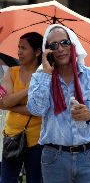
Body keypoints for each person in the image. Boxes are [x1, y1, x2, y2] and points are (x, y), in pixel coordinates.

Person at [27, 24, 90, 183]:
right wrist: (47, 75)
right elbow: (36, 109)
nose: (60, 48)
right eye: (53, 45)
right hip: (54, 159)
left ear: (73, 45)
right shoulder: (40, 78)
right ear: (47, 51)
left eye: (64, 42)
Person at [0, 32, 43, 183]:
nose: (19, 51)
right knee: (6, 180)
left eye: (23, 48)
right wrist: (28, 89)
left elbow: (39, 110)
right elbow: (2, 102)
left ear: (37, 52)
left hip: (38, 141)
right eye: (18, 47)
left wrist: (11, 105)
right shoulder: (12, 72)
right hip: (12, 137)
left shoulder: (45, 76)